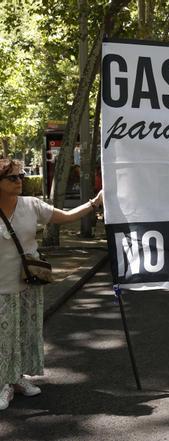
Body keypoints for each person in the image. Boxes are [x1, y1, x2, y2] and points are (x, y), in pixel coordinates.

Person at [0, 158, 103, 411]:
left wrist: (95, 202)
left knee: (25, 333)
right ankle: (3, 383)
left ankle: (17, 378)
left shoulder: (31, 205)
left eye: (21, 176)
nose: (20, 181)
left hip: (28, 282)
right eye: (13, 177)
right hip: (0, 286)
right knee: (3, 337)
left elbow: (66, 216)